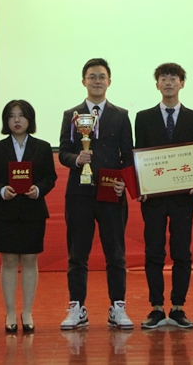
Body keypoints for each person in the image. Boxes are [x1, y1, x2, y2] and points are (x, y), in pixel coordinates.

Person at [58, 58, 134, 330]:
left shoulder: (121, 115)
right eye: (92, 76)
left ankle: (118, 307)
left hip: (111, 192)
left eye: (102, 76)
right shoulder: (71, 114)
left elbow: (128, 156)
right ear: (84, 81)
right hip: (79, 193)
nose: (97, 80)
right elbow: (63, 151)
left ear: (109, 81)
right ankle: (77, 307)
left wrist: (124, 183)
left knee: (116, 253)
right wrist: (76, 159)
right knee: (78, 253)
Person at [135, 62, 193, 329]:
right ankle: (156, 307)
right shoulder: (143, 118)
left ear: (181, 83)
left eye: (173, 78)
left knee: (181, 253)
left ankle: (177, 307)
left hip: (183, 198)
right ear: (157, 85)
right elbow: (139, 154)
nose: (168, 82)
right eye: (163, 78)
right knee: (153, 251)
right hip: (153, 198)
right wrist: (141, 187)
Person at [0, 100, 57, 333]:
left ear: (30, 120)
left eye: (22, 115)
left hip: (32, 210)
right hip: (5, 211)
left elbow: (50, 177)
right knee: (8, 260)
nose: (17, 120)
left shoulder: (43, 147)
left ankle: (27, 311)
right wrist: (1, 190)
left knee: (29, 260)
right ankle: (10, 312)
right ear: (6, 121)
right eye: (12, 116)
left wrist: (39, 189)